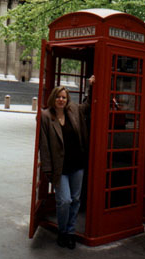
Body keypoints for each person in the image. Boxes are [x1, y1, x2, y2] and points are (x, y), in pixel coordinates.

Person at [39, 75, 95, 249]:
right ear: (53, 98)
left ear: (67, 99)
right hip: (59, 167)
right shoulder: (46, 116)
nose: (61, 100)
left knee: (76, 199)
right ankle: (62, 232)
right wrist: (47, 169)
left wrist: (90, 86)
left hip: (77, 164)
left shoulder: (74, 110)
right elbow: (44, 145)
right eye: (58, 97)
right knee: (64, 201)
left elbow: (88, 105)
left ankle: (70, 232)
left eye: (64, 97)